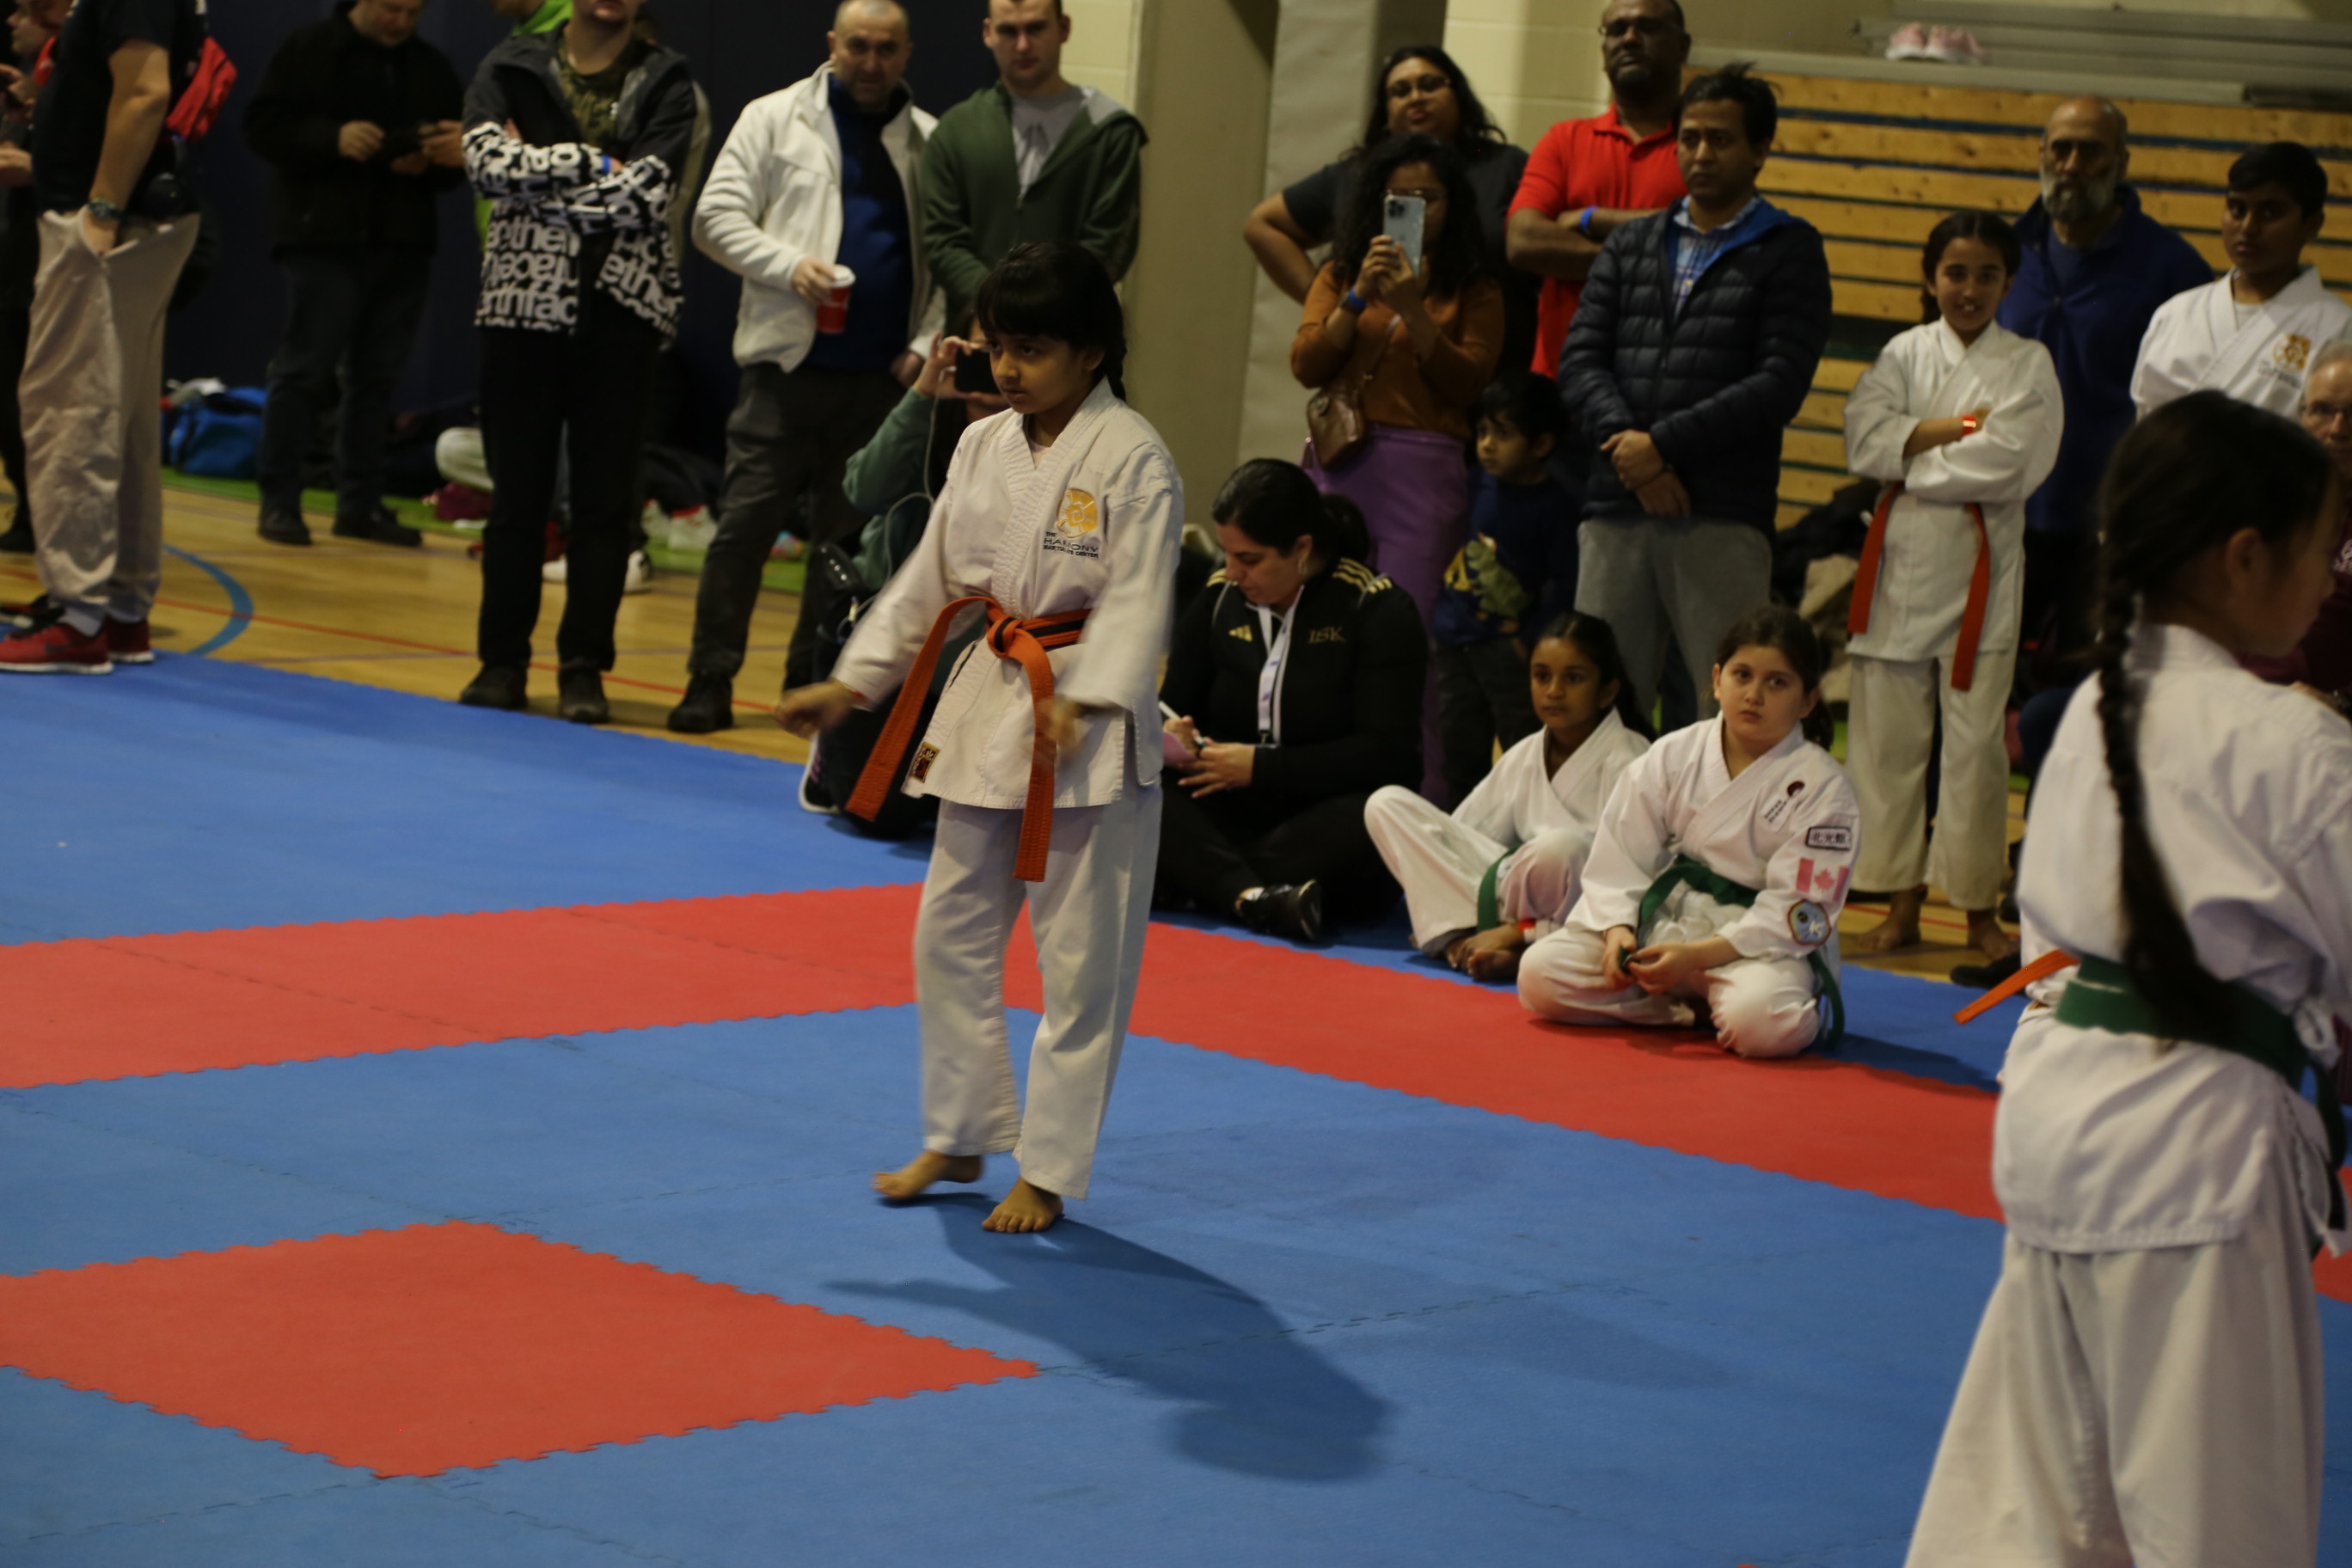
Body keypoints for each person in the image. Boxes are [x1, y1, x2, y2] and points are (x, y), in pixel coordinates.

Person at [1903, 391, 2348, 1566]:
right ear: (2244, 557)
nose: (2330, 578)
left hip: (2059, 1119)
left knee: (2042, 1509)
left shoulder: (2100, 706)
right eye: (2323, 549)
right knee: (2217, 1521)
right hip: (2196, 1148)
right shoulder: (2292, 743)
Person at [775, 242, 1181, 1236]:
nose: (1008, 369)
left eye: (1031, 350)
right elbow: (928, 578)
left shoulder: (1134, 457)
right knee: (947, 936)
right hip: (993, 704)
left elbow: (1138, 601)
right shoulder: (983, 445)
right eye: (1000, 347)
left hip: (1086, 733)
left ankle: (1047, 1168)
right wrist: (851, 682)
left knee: (1081, 966)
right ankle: (959, 1132)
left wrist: (1091, 698)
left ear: (1092, 353)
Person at [665, 0, 940, 734]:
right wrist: (789, 266)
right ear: (832, 44)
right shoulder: (773, 117)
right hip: (784, 368)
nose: (871, 61)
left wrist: (926, 341)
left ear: (908, 53)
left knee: (845, 544)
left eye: (886, 48)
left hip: (882, 381)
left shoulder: (929, 138)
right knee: (743, 529)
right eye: (858, 46)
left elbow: (947, 257)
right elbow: (713, 219)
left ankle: (810, 682)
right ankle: (709, 678)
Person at [1558, 64, 1831, 725]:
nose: (1701, 153)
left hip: (1721, 511)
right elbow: (1581, 361)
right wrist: (1634, 455)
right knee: (1598, 709)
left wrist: (1660, 447)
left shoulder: (1789, 248)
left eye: (1721, 139)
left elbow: (1778, 383)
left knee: (1730, 710)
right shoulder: (1631, 243)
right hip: (1617, 505)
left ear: (1760, 150)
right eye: (1690, 138)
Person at [453, 0, 699, 722]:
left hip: (623, 313)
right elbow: (485, 166)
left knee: (604, 506)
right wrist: (591, 161)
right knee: (516, 499)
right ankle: (501, 662)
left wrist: (538, 182)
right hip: (520, 310)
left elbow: (646, 195)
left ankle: (583, 668)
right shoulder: (510, 65)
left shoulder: (668, 80)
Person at [1841, 211, 2061, 962]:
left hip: (1980, 572)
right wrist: (1960, 427)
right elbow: (1863, 442)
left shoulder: (2027, 363)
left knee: (1975, 753)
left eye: (1987, 275)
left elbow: (2009, 462)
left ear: (2009, 282)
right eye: (1955, 273)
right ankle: (1899, 904)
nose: (1969, 289)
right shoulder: (1902, 352)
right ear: (1930, 277)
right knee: (1887, 747)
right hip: (1899, 565)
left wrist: (1913, 447)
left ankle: (1976, 913)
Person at [1517, 605, 1859, 1060]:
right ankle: (1689, 1012)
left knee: (1766, 1025)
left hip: (1756, 947)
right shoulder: (1675, 754)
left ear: (1808, 701)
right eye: (1742, 675)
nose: (1753, 695)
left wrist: (1698, 956)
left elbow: (1803, 910)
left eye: (1777, 682)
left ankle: (1716, 1003)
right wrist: (1618, 929)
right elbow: (1622, 852)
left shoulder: (1824, 788)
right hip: (1669, 923)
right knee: (1540, 975)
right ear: (1717, 679)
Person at [1292, 132, 1503, 798]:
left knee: (1410, 638)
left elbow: (1467, 382)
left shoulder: (1475, 288)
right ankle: (1322, 789)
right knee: (1323, 628)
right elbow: (1307, 364)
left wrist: (1413, 305)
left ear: (1452, 205)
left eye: (1427, 198)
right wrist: (1359, 295)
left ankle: (1420, 796)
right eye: (1398, 197)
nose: (1414, 208)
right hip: (1339, 468)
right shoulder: (1340, 273)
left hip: (1425, 472)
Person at [0, 0, 205, 676]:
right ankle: (119, 610)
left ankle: (77, 615)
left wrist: (101, 209)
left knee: (72, 412)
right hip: (136, 219)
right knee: (122, 420)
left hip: (104, 229)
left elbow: (145, 93)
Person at [1156, 458, 1425, 942]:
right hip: (1232, 806)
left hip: (1322, 816)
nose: (1231, 572)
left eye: (1249, 559)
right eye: (1226, 554)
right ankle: (1257, 897)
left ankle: (1209, 879)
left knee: (1377, 814)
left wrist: (1261, 767)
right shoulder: (1219, 599)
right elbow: (1172, 706)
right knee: (1140, 784)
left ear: (1302, 548)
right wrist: (1175, 735)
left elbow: (1388, 755)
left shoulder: (1375, 607)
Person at [242, 0, 465, 551]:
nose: (401, 22)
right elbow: (262, 127)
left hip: (402, 239)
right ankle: (280, 498)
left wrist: (433, 157)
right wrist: (332, 138)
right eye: (391, 8)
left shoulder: (430, 67)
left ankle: (360, 504)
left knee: (377, 378)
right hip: (322, 236)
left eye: (412, 12)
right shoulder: (308, 50)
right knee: (304, 370)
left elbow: (457, 158)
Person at [1997, 95, 2210, 671]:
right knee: (1983, 680)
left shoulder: (2173, 269)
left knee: (2084, 688)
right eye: (2060, 149)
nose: (2072, 165)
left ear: (2121, 163)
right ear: (2041, 155)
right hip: (2004, 509)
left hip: (2108, 522)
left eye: (2090, 151)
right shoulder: (2006, 253)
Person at [1365, 610, 1649, 983]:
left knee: (1562, 848)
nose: (1554, 691)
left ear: (1607, 691)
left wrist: (1521, 927)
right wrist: (1440, 874)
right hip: (1507, 893)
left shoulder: (1632, 759)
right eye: (1542, 676)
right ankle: (1464, 934)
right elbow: (1464, 836)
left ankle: (1509, 939)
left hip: (1580, 911)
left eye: (1573, 678)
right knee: (1386, 803)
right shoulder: (1527, 752)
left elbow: (1629, 879)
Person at [1245, 43, 1533, 377]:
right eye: (1400, 91)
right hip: (1378, 373)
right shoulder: (1361, 175)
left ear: (1459, 95)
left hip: (1494, 364)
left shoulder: (1503, 164)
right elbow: (1262, 225)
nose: (1416, 98)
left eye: (1429, 85)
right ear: (1384, 110)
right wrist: (1332, 300)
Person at [919, 0, 1143, 334]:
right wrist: (998, 306)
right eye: (1009, 31)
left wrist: (1039, 311)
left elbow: (1110, 243)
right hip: (978, 335)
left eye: (1036, 28)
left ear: (1063, 28)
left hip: (1070, 336)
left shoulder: (1109, 131)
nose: (1022, 45)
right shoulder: (955, 130)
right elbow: (941, 238)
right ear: (988, 34)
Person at [1504, 0, 1688, 379]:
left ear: (1682, 47)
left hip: (1662, 388)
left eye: (1647, 27)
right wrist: (1649, 258)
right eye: (1616, 30)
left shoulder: (1700, 147)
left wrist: (1591, 218)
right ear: (1604, 51)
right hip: (1560, 388)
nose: (1630, 39)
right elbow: (1523, 241)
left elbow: (1702, 236)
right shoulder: (1563, 140)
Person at [1430, 369, 1579, 799]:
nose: (1487, 444)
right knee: (1460, 749)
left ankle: (1522, 825)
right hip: (1454, 640)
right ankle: (1460, 828)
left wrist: (1529, 639)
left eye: (1503, 433)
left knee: (1521, 747)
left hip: (1506, 649)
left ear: (1542, 444)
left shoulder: (1556, 506)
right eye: (1482, 432)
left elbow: (1568, 582)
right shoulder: (1475, 481)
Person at [2132, 141, 2351, 422]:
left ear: (2312, 224)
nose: (2248, 227)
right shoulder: (2175, 315)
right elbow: (2144, 425)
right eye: (2237, 209)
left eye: (2270, 212)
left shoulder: (2339, 328)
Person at [2248, 340, 2352, 708]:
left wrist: (2341, 703)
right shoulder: (2265, 501)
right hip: (2234, 690)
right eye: (2322, 410)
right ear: (2302, 415)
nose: (2337, 429)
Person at [0, 0, 64, 558]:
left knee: (40, 398)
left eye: (23, 9)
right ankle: (30, 510)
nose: (12, 20)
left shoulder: (91, 67)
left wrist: (37, 166)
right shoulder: (37, 80)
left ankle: (51, 519)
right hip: (18, 258)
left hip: (56, 261)